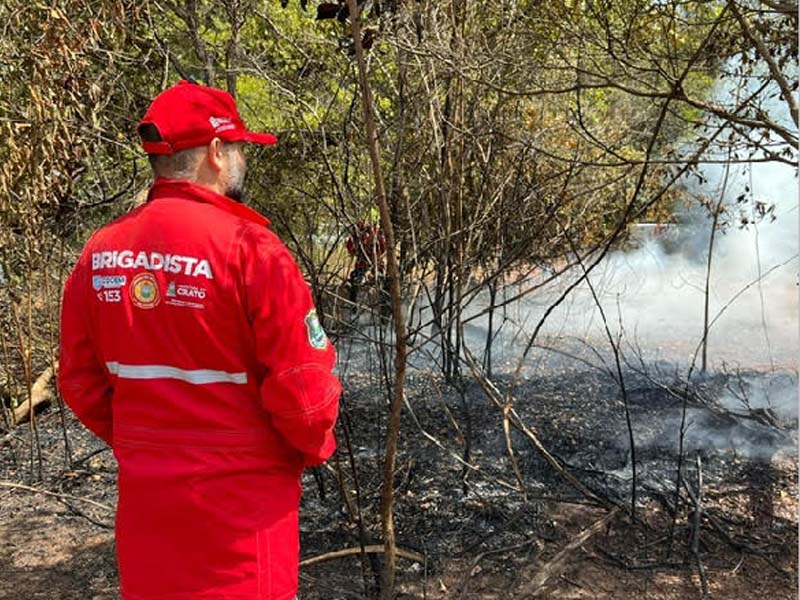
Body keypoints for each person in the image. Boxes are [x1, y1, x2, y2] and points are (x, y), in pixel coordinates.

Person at [57, 80, 341, 600]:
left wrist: (145, 443)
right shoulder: (252, 251)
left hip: (149, 518)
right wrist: (309, 450)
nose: (242, 161)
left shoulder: (99, 253)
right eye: (238, 149)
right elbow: (306, 398)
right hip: (243, 522)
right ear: (214, 152)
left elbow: (79, 381)